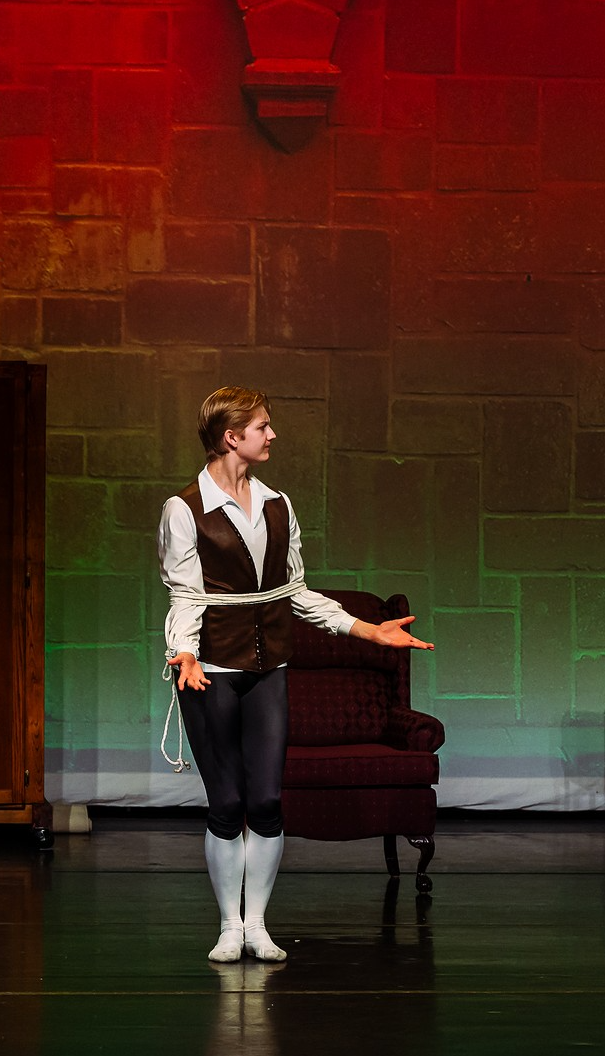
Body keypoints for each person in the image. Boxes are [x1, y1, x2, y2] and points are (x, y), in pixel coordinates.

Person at [160, 387, 434, 964]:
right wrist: (183, 651)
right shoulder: (185, 509)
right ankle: (228, 925)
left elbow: (297, 593)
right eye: (262, 426)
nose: (272, 434)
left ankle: (257, 924)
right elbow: (185, 594)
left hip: (269, 670)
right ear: (231, 436)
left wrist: (368, 630)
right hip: (211, 670)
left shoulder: (278, 504)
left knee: (265, 799)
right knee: (227, 802)